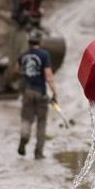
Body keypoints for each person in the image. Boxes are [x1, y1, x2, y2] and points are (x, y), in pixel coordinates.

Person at [17, 30, 58, 159]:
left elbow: (19, 72)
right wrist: (55, 92)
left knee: (26, 119)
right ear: (40, 42)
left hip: (27, 92)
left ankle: (24, 137)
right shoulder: (44, 55)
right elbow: (49, 76)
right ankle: (38, 153)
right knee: (41, 123)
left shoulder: (22, 56)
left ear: (29, 42)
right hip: (41, 93)